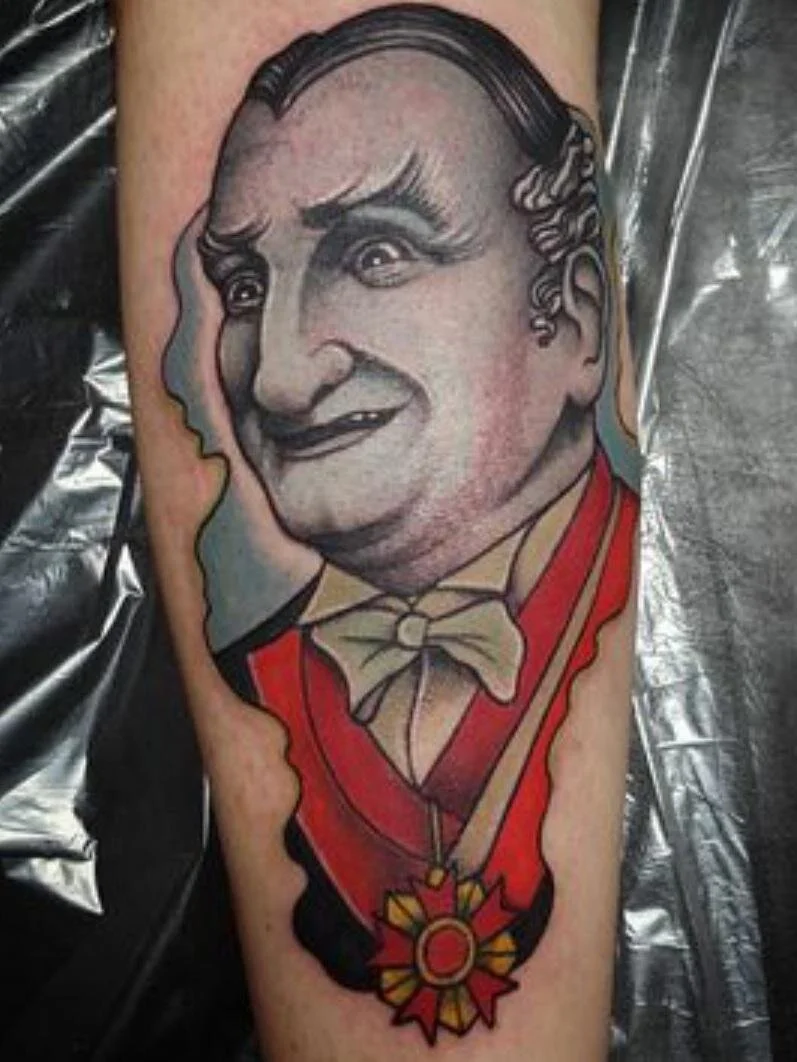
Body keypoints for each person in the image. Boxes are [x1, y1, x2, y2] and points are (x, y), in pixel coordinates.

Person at [117, 1, 638, 1057]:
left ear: (574, 317)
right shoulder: (264, 680)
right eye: (245, 285)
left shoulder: (663, 628)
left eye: (375, 255)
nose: (276, 376)